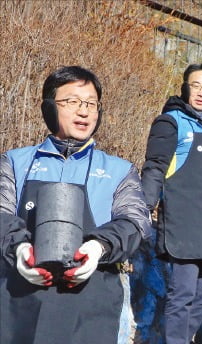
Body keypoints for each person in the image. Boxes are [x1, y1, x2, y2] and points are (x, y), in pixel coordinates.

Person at [0, 65, 151, 343]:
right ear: (49, 107)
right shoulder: (14, 162)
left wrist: (97, 247)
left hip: (93, 307)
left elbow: (135, 221)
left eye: (91, 104)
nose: (84, 111)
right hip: (21, 302)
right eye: (72, 102)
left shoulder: (120, 170)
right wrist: (19, 248)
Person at [141, 62, 202, 344]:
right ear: (185, 88)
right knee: (181, 295)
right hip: (182, 225)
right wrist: (144, 206)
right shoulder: (171, 122)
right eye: (196, 86)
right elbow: (155, 167)